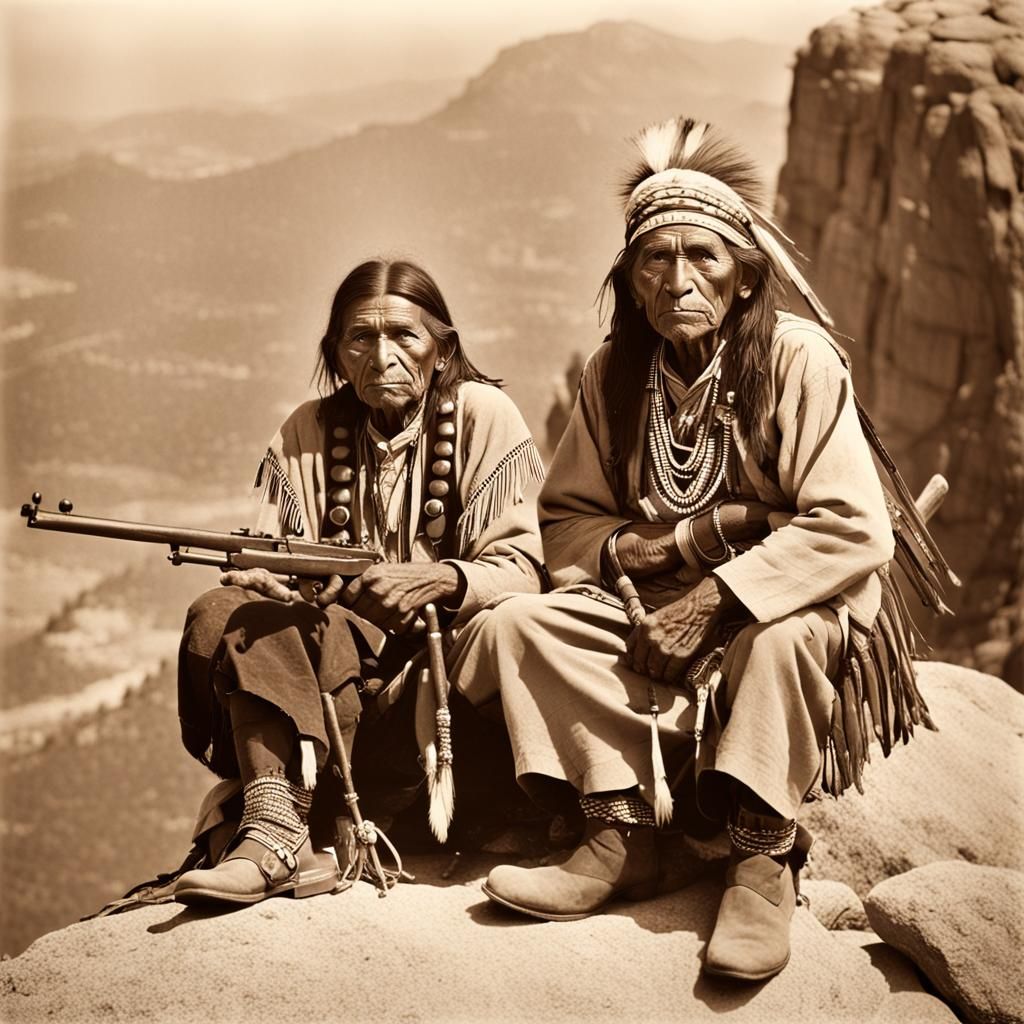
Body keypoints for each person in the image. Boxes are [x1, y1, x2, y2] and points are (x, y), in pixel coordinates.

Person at [452, 118, 948, 981]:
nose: (678, 279)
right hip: (654, 610)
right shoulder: (614, 374)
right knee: (519, 625)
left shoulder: (797, 361)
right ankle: (621, 833)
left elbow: (852, 527)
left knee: (780, 641)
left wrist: (718, 597)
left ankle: (760, 856)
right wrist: (655, 551)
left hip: (786, 608)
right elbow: (564, 523)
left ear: (747, 277)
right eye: (655, 259)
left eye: (704, 258)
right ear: (632, 278)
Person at [171, 258, 546, 906]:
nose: (382, 356)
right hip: (319, 685)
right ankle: (274, 828)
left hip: (438, 700)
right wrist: (267, 581)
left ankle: (358, 811)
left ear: (443, 347)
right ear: (336, 354)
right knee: (224, 611)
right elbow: (266, 558)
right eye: (359, 339)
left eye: (404, 335)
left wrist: (441, 580)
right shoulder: (307, 432)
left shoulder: (484, 416)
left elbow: (524, 571)